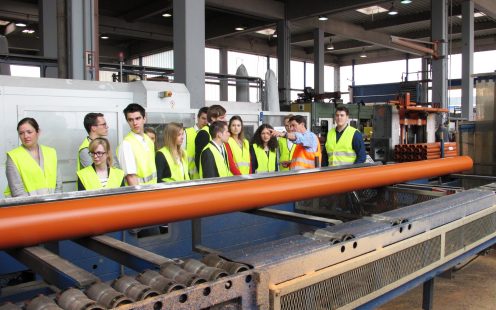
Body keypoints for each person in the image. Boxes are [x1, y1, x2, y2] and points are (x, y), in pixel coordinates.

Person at [5, 117, 62, 197]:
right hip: (27, 206)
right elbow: (17, 192)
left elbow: (58, 185)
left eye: (29, 132)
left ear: (38, 132)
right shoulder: (13, 156)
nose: (25, 136)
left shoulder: (51, 152)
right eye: (21, 133)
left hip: (52, 205)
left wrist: (55, 203)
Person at [117, 103, 157, 186]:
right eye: (130, 120)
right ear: (127, 121)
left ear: (144, 119)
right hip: (140, 195)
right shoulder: (126, 144)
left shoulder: (148, 140)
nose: (134, 123)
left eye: (137, 118)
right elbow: (131, 178)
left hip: (153, 190)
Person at [194, 105, 227, 171]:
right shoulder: (204, 133)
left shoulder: (219, 132)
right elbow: (202, 162)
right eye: (222, 118)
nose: (225, 120)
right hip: (212, 179)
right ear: (213, 118)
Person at [184, 107, 208, 179]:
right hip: (190, 177)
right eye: (203, 118)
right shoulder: (186, 133)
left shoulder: (211, 133)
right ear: (197, 118)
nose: (206, 122)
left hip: (206, 177)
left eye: (208, 119)